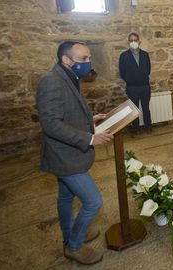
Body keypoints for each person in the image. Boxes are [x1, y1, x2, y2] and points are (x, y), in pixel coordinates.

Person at [36, 41, 112, 265]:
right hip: (64, 155)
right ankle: (74, 246)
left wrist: (91, 119)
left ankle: (70, 233)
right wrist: (90, 138)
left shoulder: (68, 76)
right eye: (83, 59)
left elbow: (69, 109)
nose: (88, 63)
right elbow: (51, 124)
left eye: (89, 58)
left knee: (66, 197)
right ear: (66, 60)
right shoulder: (51, 81)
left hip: (67, 153)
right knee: (93, 202)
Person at [119, 32, 152, 134]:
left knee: (146, 108)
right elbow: (122, 72)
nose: (133, 42)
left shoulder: (145, 55)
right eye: (131, 40)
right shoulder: (124, 56)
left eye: (135, 40)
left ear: (139, 41)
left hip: (145, 86)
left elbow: (148, 70)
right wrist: (130, 80)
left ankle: (148, 127)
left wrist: (142, 78)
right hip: (132, 87)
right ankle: (136, 129)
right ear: (128, 42)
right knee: (134, 110)